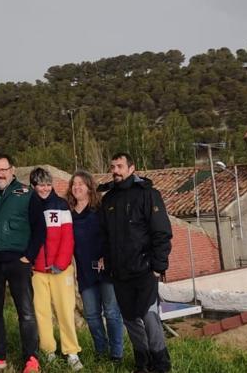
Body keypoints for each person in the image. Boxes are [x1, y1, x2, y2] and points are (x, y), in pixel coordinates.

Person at [99, 153, 173, 373]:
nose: (116, 171)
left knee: (149, 317)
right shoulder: (108, 199)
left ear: (132, 168)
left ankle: (161, 365)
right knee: (130, 320)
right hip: (119, 273)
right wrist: (109, 265)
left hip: (145, 270)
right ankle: (143, 364)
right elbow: (105, 236)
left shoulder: (148, 195)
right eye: (113, 167)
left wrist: (158, 267)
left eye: (120, 166)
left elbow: (161, 232)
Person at [0, 153, 45, 373]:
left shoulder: (26, 193)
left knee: (25, 311)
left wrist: (29, 256)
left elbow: (40, 228)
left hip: (18, 261)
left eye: (3, 169)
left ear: (12, 169)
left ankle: (31, 358)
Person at [29, 167, 83, 371]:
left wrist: (60, 264)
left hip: (60, 269)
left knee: (65, 311)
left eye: (47, 184)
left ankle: (71, 352)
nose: (44, 188)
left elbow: (68, 238)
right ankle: (48, 350)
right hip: (37, 270)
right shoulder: (28, 206)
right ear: (33, 186)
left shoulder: (61, 205)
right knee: (41, 311)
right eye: (40, 185)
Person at [68, 170, 123, 362]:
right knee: (91, 315)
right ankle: (101, 351)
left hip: (105, 268)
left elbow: (112, 235)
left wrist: (106, 257)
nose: (77, 187)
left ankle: (116, 354)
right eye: (74, 184)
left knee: (111, 312)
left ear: (90, 187)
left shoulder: (101, 209)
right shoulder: (69, 213)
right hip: (84, 270)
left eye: (81, 183)